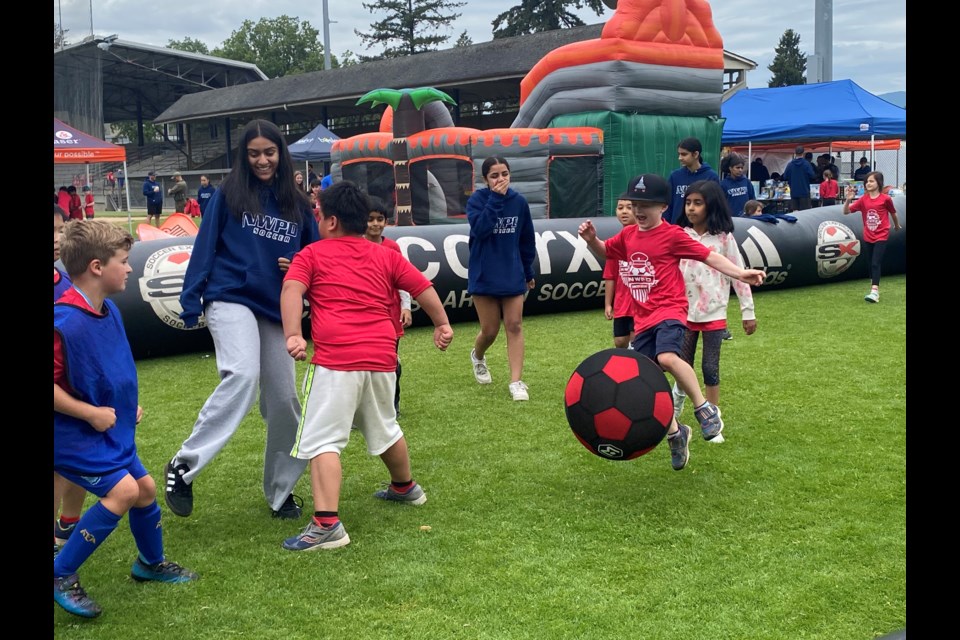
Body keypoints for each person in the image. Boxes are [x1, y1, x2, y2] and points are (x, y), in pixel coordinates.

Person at [278, 181, 453, 551]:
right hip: (382, 358)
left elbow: (291, 289)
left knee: (322, 438)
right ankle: (405, 488)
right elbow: (423, 287)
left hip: (337, 360)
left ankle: (326, 525)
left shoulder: (311, 254)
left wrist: (294, 334)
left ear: (330, 221)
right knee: (384, 425)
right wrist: (442, 323)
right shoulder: (385, 255)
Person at [164, 119, 321, 521]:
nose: (263, 160)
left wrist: (299, 267)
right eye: (254, 154)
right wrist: (190, 300)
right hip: (229, 295)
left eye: (269, 152)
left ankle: (281, 491)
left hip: (274, 306)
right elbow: (205, 245)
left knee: (285, 398)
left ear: (281, 154)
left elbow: (316, 259)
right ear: (244, 156)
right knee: (243, 374)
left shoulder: (299, 205)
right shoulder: (228, 194)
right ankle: (184, 465)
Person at [54, 219, 198, 618]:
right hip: (71, 434)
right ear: (97, 267)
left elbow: (107, 367)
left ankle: (149, 564)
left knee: (146, 489)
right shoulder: (63, 322)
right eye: (124, 261)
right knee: (123, 493)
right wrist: (91, 413)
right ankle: (61, 572)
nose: (131, 268)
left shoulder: (110, 310)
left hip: (108, 428)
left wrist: (121, 405)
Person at [578, 174, 765, 471]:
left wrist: (740, 274)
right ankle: (676, 434)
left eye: (646, 205)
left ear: (663, 207)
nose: (639, 210)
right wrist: (592, 241)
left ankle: (704, 409)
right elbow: (608, 252)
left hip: (671, 310)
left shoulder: (673, 235)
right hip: (644, 319)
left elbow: (710, 257)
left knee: (667, 357)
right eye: (634, 203)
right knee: (643, 384)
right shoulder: (627, 236)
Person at [672, 181, 758, 425]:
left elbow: (739, 274)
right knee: (682, 364)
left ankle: (712, 419)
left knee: (710, 367)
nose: (691, 208)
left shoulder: (723, 238)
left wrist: (747, 312)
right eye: (688, 203)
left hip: (714, 312)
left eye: (698, 203)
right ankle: (678, 396)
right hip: (683, 312)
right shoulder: (678, 235)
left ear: (712, 206)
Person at [466, 157, 536, 401]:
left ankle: (516, 382)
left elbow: (526, 240)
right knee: (490, 330)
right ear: (485, 179)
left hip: (512, 274)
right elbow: (481, 229)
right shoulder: (477, 200)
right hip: (484, 275)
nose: (500, 179)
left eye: (504, 174)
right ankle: (477, 355)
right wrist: (496, 199)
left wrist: (528, 272)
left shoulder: (519, 202)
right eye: (494, 176)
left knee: (514, 325)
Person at [53, 206, 87, 556]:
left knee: (75, 463)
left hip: (70, 397)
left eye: (60, 230)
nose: (56, 239)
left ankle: (68, 524)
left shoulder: (66, 285)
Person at [365, 195, 413, 414]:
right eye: (371, 219)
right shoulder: (356, 245)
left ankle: (392, 405)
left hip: (390, 315)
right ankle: (366, 407)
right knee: (364, 363)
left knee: (390, 361)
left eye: (380, 219)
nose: (375, 224)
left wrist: (406, 306)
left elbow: (403, 279)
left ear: (386, 221)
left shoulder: (392, 248)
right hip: (364, 314)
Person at [843, 171, 901, 303]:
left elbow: (893, 213)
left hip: (882, 235)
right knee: (870, 263)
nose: (868, 184)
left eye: (871, 181)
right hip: (868, 235)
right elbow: (846, 212)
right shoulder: (863, 200)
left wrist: (897, 225)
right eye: (867, 182)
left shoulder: (885, 199)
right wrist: (848, 199)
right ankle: (873, 285)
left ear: (879, 183)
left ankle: (875, 292)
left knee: (876, 262)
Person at [603, 198, 639, 349]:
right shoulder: (615, 243)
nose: (624, 211)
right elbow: (610, 275)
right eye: (620, 207)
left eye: (629, 207)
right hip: (622, 303)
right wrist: (608, 304)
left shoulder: (644, 239)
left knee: (636, 340)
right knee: (619, 341)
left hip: (640, 303)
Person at [666, 137, 720, 224]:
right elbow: (668, 205)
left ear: (695, 154)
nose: (679, 158)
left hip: (701, 229)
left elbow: (715, 207)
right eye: (679, 154)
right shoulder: (674, 176)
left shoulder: (711, 177)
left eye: (684, 154)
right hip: (677, 229)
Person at [781, 146, 816, 212]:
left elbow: (785, 177)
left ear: (795, 153)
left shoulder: (790, 164)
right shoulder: (806, 164)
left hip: (794, 192)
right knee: (805, 213)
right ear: (803, 153)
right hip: (805, 192)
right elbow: (812, 176)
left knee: (795, 213)